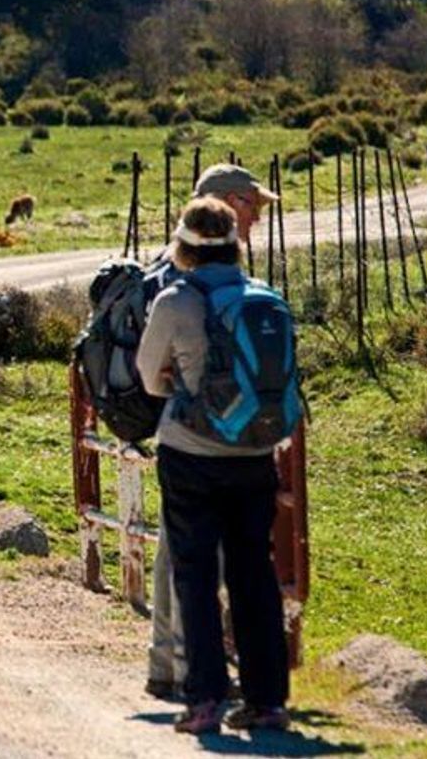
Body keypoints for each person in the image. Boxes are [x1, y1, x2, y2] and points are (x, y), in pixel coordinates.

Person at [136, 197, 292, 735]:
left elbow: (147, 375)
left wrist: (182, 384)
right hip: (255, 453)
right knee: (256, 572)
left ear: (182, 245)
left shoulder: (176, 300)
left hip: (191, 455)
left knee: (196, 577)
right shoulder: (265, 297)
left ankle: (205, 699)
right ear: (234, 244)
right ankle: (268, 700)